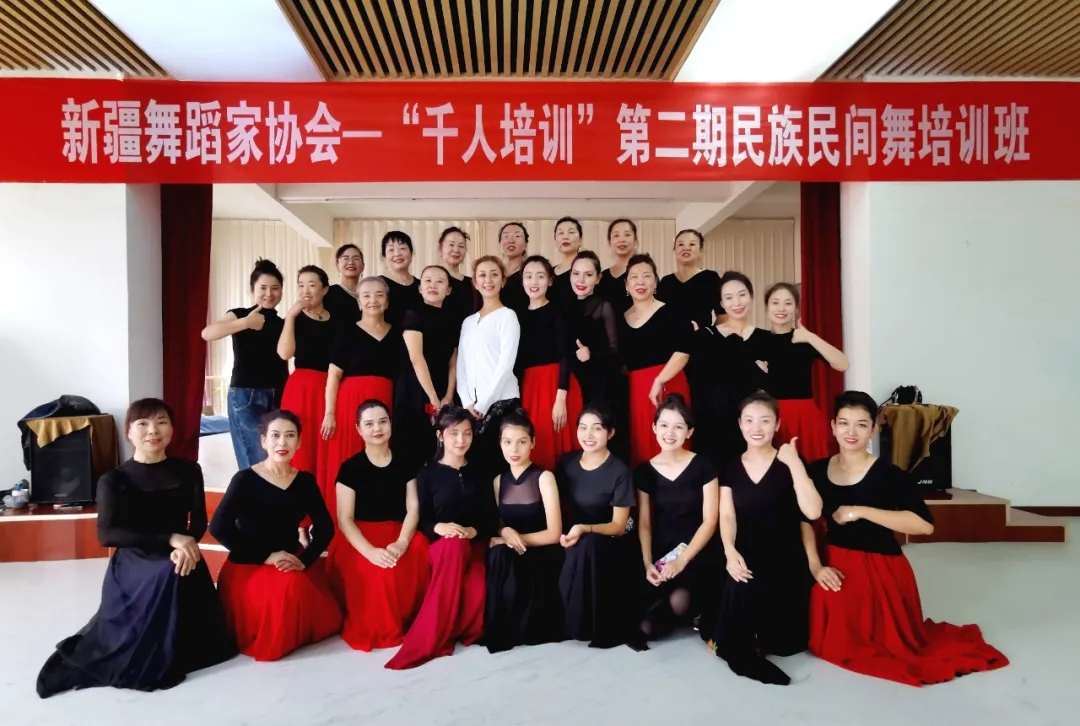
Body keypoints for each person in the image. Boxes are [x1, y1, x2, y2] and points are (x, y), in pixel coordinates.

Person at [804, 391, 1009, 686]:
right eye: (844, 423)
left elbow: (924, 525)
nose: (851, 432)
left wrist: (860, 511)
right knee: (824, 624)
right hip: (834, 560)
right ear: (833, 426)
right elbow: (803, 520)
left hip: (879, 569)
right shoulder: (816, 470)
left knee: (862, 644)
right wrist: (815, 566)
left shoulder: (890, 475)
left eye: (862, 425)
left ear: (874, 430)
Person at [37, 399, 235, 698]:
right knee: (169, 571)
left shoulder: (189, 470)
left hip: (180, 552)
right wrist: (170, 538)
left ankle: (181, 644)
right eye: (143, 424)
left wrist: (185, 543)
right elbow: (107, 534)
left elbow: (197, 523)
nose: (153, 430)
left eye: (161, 422)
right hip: (135, 557)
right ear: (129, 432)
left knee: (178, 565)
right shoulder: (114, 479)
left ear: (172, 429)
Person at [707, 392, 822, 685]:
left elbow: (812, 511)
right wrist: (729, 550)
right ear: (740, 424)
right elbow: (727, 516)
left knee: (785, 645)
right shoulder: (730, 467)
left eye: (765, 421)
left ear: (777, 424)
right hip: (745, 550)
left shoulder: (791, 461)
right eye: (749, 420)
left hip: (785, 557)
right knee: (739, 587)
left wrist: (794, 463)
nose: (756, 428)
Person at [210, 410, 342, 662]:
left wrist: (305, 560)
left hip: (291, 559)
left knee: (326, 615)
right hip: (250, 563)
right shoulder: (244, 479)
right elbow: (218, 527)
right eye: (275, 435)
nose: (283, 442)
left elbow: (325, 528)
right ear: (263, 441)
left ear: (299, 442)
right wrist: (266, 556)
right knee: (289, 589)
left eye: (290, 436)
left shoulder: (304, 481)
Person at [385, 406, 495, 670]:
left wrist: (473, 531)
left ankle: (447, 627)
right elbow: (421, 519)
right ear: (440, 435)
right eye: (453, 433)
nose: (461, 440)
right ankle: (430, 637)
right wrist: (439, 527)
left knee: (477, 591)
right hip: (442, 549)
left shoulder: (480, 472)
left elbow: (490, 517)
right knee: (453, 545)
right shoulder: (427, 475)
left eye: (467, 433)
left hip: (474, 546)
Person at [331, 400, 431, 651]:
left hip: (399, 532)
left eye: (382, 421)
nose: (377, 428)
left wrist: (402, 542)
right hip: (360, 537)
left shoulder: (406, 463)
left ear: (390, 424)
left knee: (419, 548)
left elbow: (413, 508)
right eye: (369, 424)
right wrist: (370, 552)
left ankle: (413, 618)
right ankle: (380, 627)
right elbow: (344, 519)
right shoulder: (349, 468)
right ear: (358, 429)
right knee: (378, 572)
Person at [634, 394, 720, 643]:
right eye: (663, 425)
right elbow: (644, 523)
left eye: (678, 427)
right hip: (663, 553)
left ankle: (696, 608)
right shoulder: (644, 472)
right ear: (654, 427)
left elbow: (710, 520)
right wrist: (648, 563)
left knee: (679, 600)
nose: (669, 433)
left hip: (697, 551)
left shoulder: (704, 466)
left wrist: (682, 560)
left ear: (689, 432)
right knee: (644, 627)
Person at [557, 406, 641, 649]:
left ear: (610, 433)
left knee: (588, 544)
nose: (588, 435)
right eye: (583, 428)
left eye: (597, 428)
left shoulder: (620, 471)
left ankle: (583, 625)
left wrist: (585, 528)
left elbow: (619, 526)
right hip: (574, 536)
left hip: (609, 540)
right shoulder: (566, 463)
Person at [484, 410, 565, 652]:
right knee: (498, 554)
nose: (514, 449)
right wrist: (505, 533)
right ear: (500, 444)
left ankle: (525, 626)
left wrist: (514, 539)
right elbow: (500, 526)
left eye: (522, 442)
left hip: (542, 553)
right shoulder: (498, 481)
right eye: (507, 442)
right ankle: (499, 628)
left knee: (504, 553)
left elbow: (554, 533)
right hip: (512, 553)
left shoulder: (544, 477)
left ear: (533, 443)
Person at [322, 276, 403, 509]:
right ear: (358, 302)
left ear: (387, 301)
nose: (373, 300)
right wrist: (330, 413)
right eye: (366, 295)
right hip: (351, 404)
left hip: (386, 402)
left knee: (382, 459)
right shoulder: (347, 331)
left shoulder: (398, 334)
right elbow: (333, 376)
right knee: (347, 457)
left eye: (379, 295)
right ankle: (342, 519)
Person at [202, 259, 289, 469]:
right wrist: (245, 323)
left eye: (275, 288)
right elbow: (208, 333)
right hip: (246, 395)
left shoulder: (283, 323)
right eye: (263, 288)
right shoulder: (239, 314)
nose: (269, 293)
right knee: (255, 460)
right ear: (252, 289)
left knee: (277, 459)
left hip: (279, 393)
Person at [756, 282, 850, 462]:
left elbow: (843, 364)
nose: (781, 308)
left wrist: (810, 337)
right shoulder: (757, 340)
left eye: (788, 303)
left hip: (805, 417)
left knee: (810, 469)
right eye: (775, 302)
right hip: (769, 416)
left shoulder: (804, 339)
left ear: (796, 308)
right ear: (767, 307)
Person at [687, 271, 767, 471]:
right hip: (711, 428)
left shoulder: (765, 338)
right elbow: (697, 383)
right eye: (729, 298)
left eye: (742, 295)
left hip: (752, 429)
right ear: (721, 303)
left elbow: (770, 387)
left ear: (751, 296)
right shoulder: (705, 337)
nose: (736, 303)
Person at [620, 254, 693, 467]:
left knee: (671, 439)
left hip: (668, 383)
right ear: (626, 284)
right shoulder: (620, 317)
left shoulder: (671, 311)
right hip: (636, 389)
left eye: (646, 276)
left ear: (655, 281)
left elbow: (684, 351)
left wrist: (660, 380)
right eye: (634, 277)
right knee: (641, 444)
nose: (640, 282)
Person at [457, 256, 521, 484]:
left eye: (494, 274)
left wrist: (484, 404)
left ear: (503, 280)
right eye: (482, 275)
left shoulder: (508, 316)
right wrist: (467, 402)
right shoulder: (468, 322)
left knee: (499, 468)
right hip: (472, 407)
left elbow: (506, 365)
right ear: (475, 282)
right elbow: (462, 365)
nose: (488, 280)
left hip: (501, 403)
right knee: (475, 470)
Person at [515, 255, 583, 471]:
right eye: (528, 276)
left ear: (550, 281)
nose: (534, 282)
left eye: (540, 276)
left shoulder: (558, 311)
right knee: (537, 444)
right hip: (530, 387)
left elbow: (565, 355)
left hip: (558, 385)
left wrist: (560, 398)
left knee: (563, 447)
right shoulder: (516, 316)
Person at [395, 264, 461, 475]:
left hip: (443, 391)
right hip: (415, 389)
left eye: (439, 281)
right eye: (427, 281)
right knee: (414, 449)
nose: (433, 285)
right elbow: (416, 358)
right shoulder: (413, 314)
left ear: (448, 290)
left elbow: (453, 361)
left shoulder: (453, 318)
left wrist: (448, 395)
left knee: (441, 450)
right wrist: (433, 398)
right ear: (420, 288)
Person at [277, 265, 337, 482]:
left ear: (325, 289)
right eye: (301, 285)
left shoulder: (337, 321)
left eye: (311, 285)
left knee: (325, 445)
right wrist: (290, 316)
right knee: (299, 444)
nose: (305, 290)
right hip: (300, 388)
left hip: (329, 388)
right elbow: (285, 353)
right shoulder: (295, 319)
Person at [566, 250, 626, 462]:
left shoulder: (604, 306)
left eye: (588, 274)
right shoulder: (566, 306)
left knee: (602, 440)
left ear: (598, 278)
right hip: (575, 385)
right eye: (576, 273)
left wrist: (591, 355)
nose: (581, 280)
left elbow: (616, 352)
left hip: (602, 385)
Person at [656, 229, 724, 330]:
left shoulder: (710, 278)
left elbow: (723, 316)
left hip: (700, 339)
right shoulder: (666, 282)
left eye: (692, 244)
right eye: (681, 244)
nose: (686, 248)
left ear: (701, 250)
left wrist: (707, 335)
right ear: (674, 250)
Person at [379, 230, 422, 329]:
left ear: (411, 253)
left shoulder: (422, 286)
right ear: (384, 257)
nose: (397, 253)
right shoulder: (378, 285)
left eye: (402, 248)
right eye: (391, 250)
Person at [438, 226, 479, 326]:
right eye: (451, 245)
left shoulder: (473, 283)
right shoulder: (431, 281)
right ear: (440, 249)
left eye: (461, 246)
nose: (456, 250)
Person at [598, 218, 637, 314]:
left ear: (635, 241)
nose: (621, 239)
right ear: (609, 242)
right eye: (616, 235)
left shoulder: (644, 274)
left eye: (627, 235)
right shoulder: (601, 277)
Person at [323, 243, 364, 325]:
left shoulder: (370, 294)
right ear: (337, 266)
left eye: (356, 258)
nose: (351, 262)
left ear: (363, 266)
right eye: (346, 258)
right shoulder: (327, 293)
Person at [550, 216, 583, 308]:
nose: (565, 237)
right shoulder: (548, 273)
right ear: (555, 240)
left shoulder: (587, 271)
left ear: (580, 240)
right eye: (560, 233)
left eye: (571, 232)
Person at [497, 222, 530, 314]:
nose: (510, 240)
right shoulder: (494, 271)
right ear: (500, 243)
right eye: (506, 236)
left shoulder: (530, 272)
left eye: (517, 236)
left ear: (526, 244)